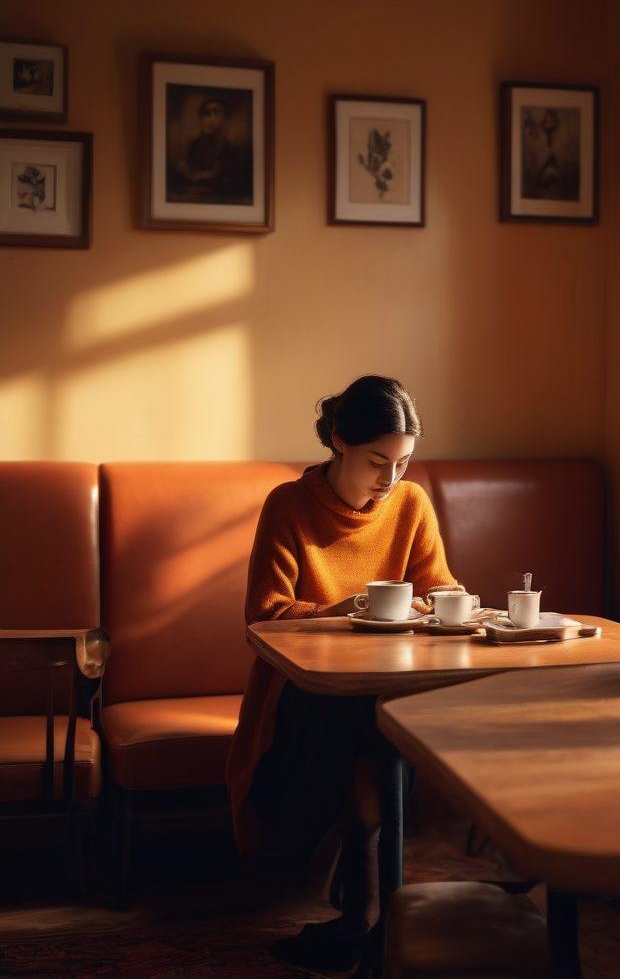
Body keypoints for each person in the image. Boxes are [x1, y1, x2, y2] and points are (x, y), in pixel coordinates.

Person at [227, 375, 463, 971]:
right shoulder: (289, 505)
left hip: (389, 680)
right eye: (376, 462)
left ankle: (367, 914)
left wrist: (450, 605)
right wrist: (345, 610)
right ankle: (368, 913)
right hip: (304, 688)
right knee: (366, 724)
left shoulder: (410, 504)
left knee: (385, 716)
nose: (389, 482)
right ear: (339, 443)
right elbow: (265, 618)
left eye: (403, 464)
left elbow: (441, 589)